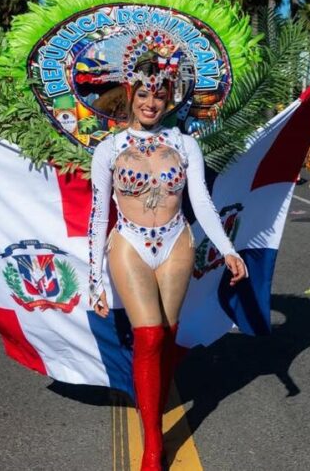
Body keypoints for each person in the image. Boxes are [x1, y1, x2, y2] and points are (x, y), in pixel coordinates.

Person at [89, 55, 247, 471]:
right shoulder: (108, 149)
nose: (150, 103)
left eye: (159, 96)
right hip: (128, 244)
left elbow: (202, 204)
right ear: (129, 95)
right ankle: (153, 447)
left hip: (176, 242)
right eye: (143, 94)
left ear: (169, 100)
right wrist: (94, 279)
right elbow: (96, 215)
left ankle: (152, 408)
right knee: (150, 338)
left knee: (168, 334)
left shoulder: (184, 145)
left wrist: (228, 249)